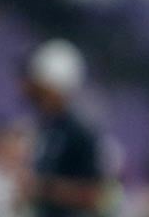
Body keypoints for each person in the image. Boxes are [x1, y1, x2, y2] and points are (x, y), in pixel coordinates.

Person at [20, 38, 106, 217]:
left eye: (44, 91)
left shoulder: (80, 133)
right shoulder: (45, 125)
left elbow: (94, 194)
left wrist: (44, 189)